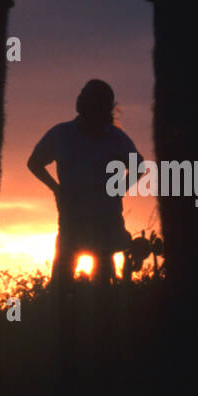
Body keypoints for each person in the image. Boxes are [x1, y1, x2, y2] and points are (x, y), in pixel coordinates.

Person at [27, 79, 143, 289]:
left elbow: (139, 166)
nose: (81, 100)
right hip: (72, 219)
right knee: (63, 283)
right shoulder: (61, 134)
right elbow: (34, 163)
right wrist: (56, 189)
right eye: (82, 95)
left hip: (105, 221)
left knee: (103, 283)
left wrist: (117, 190)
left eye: (88, 97)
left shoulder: (115, 138)